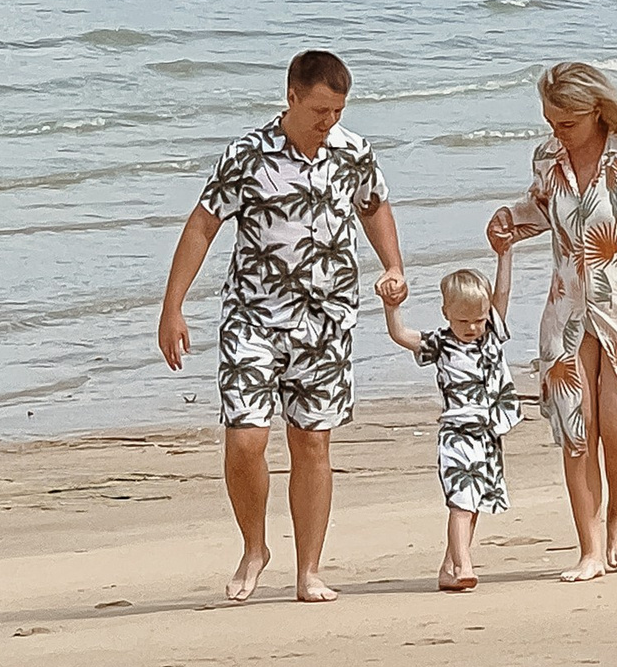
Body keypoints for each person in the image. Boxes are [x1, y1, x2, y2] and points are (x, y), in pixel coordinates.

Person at [155, 51, 410, 603]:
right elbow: (203, 224)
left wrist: (393, 265)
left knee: (311, 442)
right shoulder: (247, 154)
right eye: (320, 109)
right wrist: (173, 306)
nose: (329, 121)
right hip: (253, 315)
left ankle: (309, 570)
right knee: (246, 440)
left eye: (338, 110)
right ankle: (254, 546)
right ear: (291, 96)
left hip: (327, 318)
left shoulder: (353, 151)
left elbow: (375, 206)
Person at [488, 60, 617, 583]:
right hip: (567, 309)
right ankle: (589, 548)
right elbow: (539, 209)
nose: (558, 133)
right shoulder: (547, 159)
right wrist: (508, 221)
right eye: (551, 123)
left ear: (596, 111)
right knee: (578, 430)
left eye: (567, 123)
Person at [385, 241, 522, 592]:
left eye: (478, 319)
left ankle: (449, 568)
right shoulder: (441, 343)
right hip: (457, 434)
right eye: (463, 320)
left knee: (473, 504)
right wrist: (391, 308)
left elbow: (502, 291)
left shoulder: (491, 337)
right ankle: (464, 564)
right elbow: (401, 335)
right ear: (446, 312)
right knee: (461, 503)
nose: (472, 327)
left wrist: (504, 255)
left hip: (487, 434)